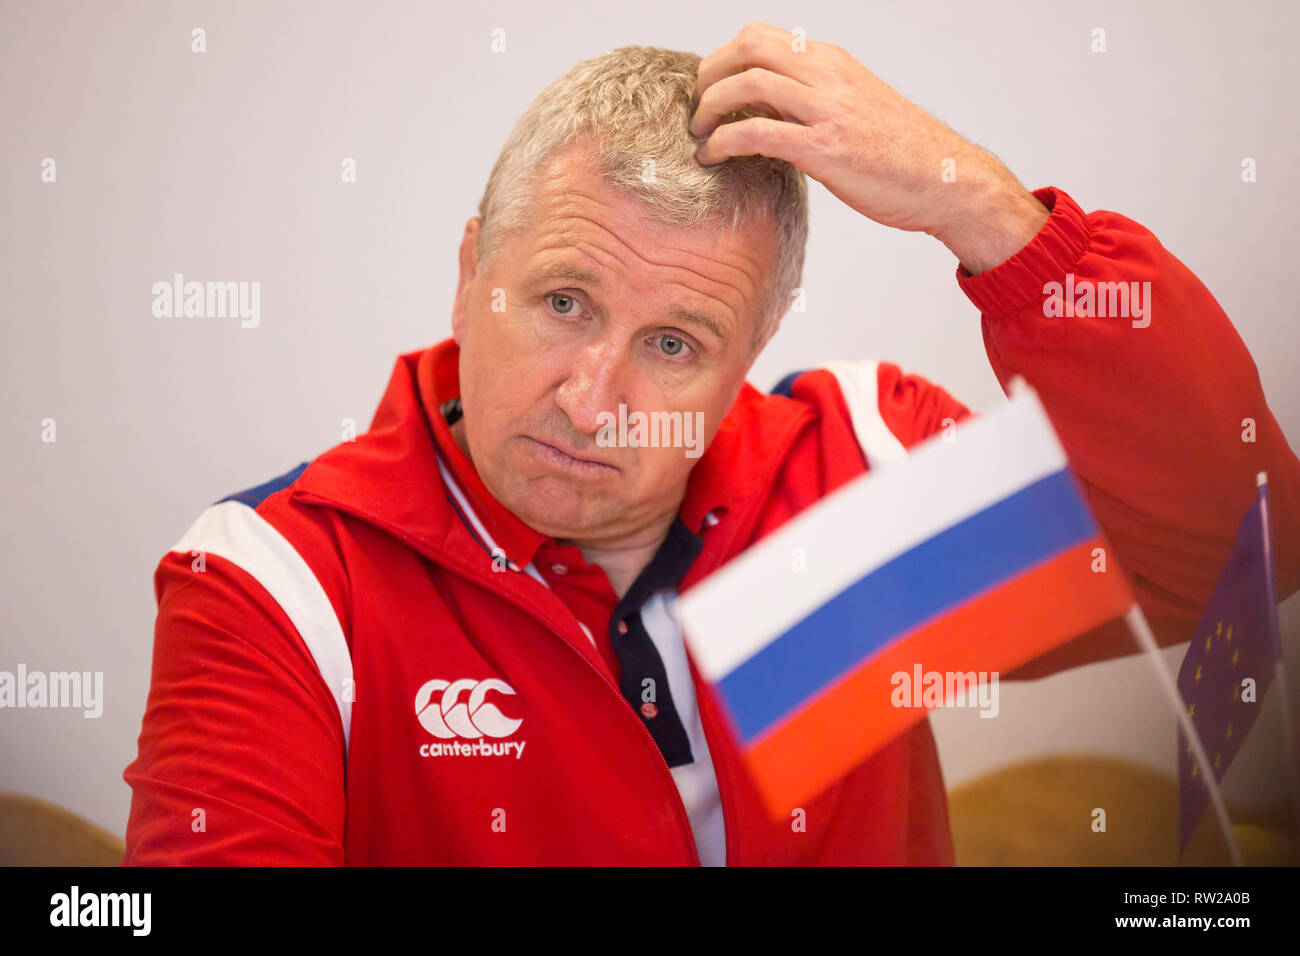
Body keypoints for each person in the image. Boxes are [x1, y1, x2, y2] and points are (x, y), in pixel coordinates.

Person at [123, 25, 1300, 865]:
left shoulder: (847, 487)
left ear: (750, 351)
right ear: (472, 267)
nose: (592, 401)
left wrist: (985, 213)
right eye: (563, 302)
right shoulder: (282, 585)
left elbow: (1236, 547)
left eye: (674, 343)